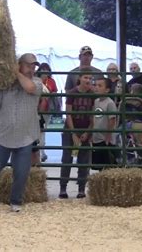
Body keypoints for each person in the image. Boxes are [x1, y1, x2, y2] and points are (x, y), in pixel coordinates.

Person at [0, 53, 42, 213]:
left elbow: (30, 88)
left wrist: (15, 72)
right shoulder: (5, 85)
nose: (31, 69)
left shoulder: (37, 82)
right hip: (3, 136)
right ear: (19, 64)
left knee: (21, 172)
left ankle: (16, 201)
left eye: (33, 66)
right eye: (28, 65)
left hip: (25, 136)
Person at [59, 67, 94, 199]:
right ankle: (63, 187)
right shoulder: (72, 93)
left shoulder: (92, 94)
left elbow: (93, 115)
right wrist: (73, 132)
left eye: (90, 78)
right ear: (79, 79)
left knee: (83, 160)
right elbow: (68, 114)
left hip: (85, 129)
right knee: (67, 158)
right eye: (86, 77)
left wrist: (88, 131)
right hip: (71, 129)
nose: (88, 80)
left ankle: (81, 189)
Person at [92, 77, 117, 171]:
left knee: (107, 164)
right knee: (99, 165)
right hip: (97, 137)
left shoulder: (109, 103)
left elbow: (112, 119)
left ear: (107, 90)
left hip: (105, 139)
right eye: (95, 85)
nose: (96, 88)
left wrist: (108, 135)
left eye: (100, 86)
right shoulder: (96, 101)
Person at [36, 63, 58, 162]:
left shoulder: (51, 81)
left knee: (43, 130)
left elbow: (55, 93)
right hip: (35, 109)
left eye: (47, 70)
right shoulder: (35, 80)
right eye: (43, 69)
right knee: (36, 130)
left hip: (47, 110)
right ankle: (39, 152)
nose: (45, 72)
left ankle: (42, 151)